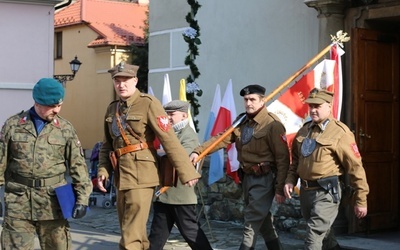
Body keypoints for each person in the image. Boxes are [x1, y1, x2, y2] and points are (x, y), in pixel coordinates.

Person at [96, 62, 201, 250]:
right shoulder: (113, 109)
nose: (121, 85)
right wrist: (103, 170)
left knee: (131, 236)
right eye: (117, 80)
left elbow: (169, 139)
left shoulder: (148, 103)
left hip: (142, 175)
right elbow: (107, 145)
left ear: (135, 80)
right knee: (132, 231)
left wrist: (186, 172)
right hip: (121, 176)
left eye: (126, 80)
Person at [190, 84, 289, 250]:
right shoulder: (242, 122)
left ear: (262, 101)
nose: (249, 103)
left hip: (264, 179)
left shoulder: (272, 124)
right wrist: (198, 151)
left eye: (252, 99)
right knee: (263, 221)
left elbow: (283, 159)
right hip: (247, 178)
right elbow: (222, 138)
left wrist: (280, 188)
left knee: (251, 220)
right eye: (246, 100)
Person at [0, 78, 93, 249]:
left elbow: (78, 166)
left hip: (53, 204)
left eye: (59, 105)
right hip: (18, 202)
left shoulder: (65, 129)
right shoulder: (13, 126)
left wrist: (82, 199)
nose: (57, 110)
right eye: (52, 106)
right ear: (37, 102)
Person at [284, 88, 369, 250]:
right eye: (311, 106)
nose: (313, 110)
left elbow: (356, 168)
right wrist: (290, 180)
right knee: (325, 235)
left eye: (318, 106)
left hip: (327, 192)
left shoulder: (340, 132)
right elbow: (295, 161)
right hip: (306, 192)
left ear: (329, 106)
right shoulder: (304, 130)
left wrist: (361, 200)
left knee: (313, 236)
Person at [148, 100, 213, 250]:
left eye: (172, 114)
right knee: (157, 236)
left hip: (180, 195)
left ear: (184, 115)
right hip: (164, 194)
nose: (168, 118)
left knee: (191, 232)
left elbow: (182, 157)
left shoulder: (188, 135)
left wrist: (159, 153)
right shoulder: (169, 133)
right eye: (167, 114)